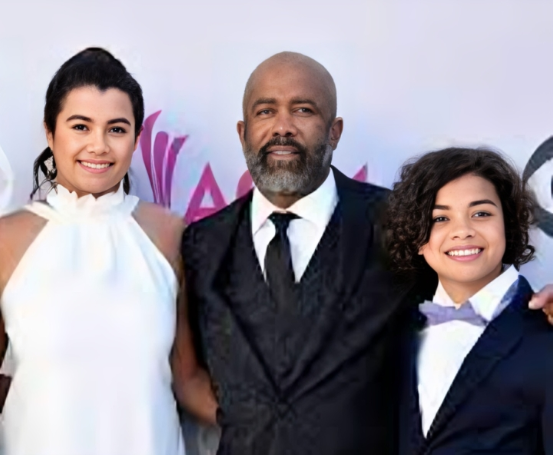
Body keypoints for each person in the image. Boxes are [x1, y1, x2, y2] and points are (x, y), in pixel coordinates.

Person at [181, 51, 553, 455]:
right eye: (265, 111)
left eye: (303, 110)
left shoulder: (401, 223)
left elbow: (478, 283)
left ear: (335, 131)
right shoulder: (203, 243)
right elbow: (187, 372)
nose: (283, 127)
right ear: (243, 131)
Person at [0, 48, 216, 455]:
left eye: (117, 129)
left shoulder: (170, 235)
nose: (99, 145)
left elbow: (186, 378)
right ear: (50, 133)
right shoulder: (0, 240)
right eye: (81, 127)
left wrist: (291, 423)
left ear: (137, 139)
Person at [387, 147, 553, 454]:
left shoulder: (546, 335)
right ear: (417, 240)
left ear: (509, 223)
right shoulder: (395, 331)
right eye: (440, 218)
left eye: (481, 214)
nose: (462, 231)